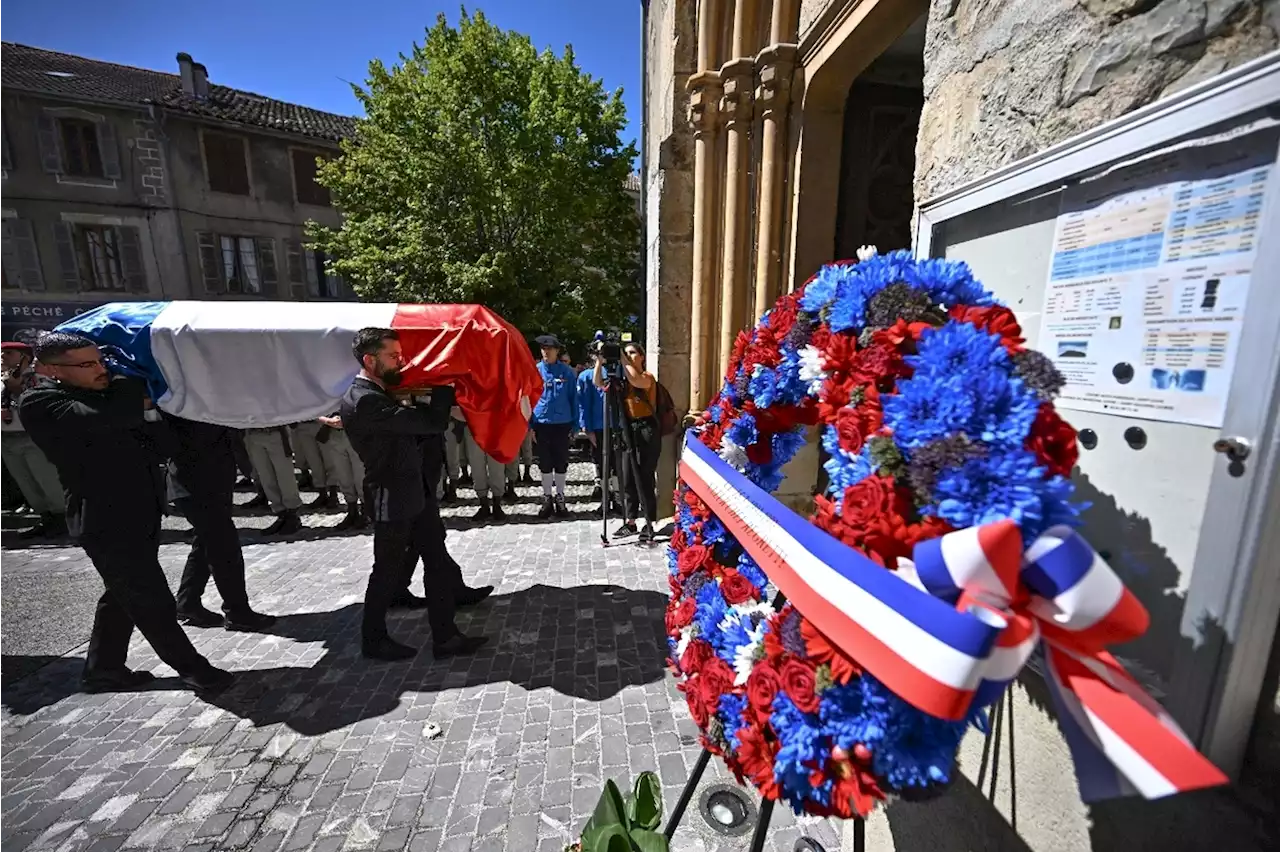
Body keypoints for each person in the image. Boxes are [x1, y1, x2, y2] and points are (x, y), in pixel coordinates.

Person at [19, 331, 234, 694]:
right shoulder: (41, 401)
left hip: (141, 511)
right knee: (150, 597)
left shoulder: (107, 398)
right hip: (104, 518)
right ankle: (194, 669)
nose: (101, 369)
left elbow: (164, 445)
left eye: (101, 360)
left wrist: (144, 408)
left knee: (122, 593)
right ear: (50, 368)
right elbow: (109, 415)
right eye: (88, 364)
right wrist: (130, 381)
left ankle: (103, 669)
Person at [340, 327, 488, 662]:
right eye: (393, 356)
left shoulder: (377, 394)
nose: (400, 361)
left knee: (435, 560)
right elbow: (432, 423)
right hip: (392, 497)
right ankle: (373, 638)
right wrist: (444, 385)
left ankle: (445, 636)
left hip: (412, 492)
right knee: (386, 571)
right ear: (369, 359)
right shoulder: (366, 401)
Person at [168, 414, 277, 631]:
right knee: (224, 548)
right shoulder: (184, 404)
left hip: (211, 482)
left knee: (206, 542)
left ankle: (188, 603)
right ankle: (237, 613)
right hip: (196, 485)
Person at [395, 417, 494, 610]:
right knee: (427, 537)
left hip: (422, 477)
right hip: (416, 480)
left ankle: (397, 588)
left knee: (422, 539)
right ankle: (448, 597)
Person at [594, 341, 660, 541]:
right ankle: (631, 522)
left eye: (632, 353)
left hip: (646, 430)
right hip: (628, 429)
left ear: (642, 357)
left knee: (645, 477)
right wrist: (599, 360)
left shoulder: (647, 378)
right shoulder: (621, 382)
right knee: (628, 476)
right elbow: (598, 383)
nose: (629, 356)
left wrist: (622, 358)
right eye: (626, 353)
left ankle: (649, 522)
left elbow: (636, 379)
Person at [0, 339, 66, 539]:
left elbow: (41, 404)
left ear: (24, 358)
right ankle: (45, 519)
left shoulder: (37, 379)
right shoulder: (2, 380)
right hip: (8, 439)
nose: (3, 357)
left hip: (33, 437)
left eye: (8, 353)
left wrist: (17, 389)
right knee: (27, 484)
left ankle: (62, 520)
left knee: (47, 481)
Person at [532, 334, 577, 518]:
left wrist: (575, 425)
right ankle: (547, 497)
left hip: (562, 423)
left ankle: (560, 496)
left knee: (560, 462)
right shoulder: (535, 371)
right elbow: (528, 398)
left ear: (557, 351)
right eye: (543, 349)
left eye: (549, 349)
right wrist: (530, 426)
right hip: (541, 423)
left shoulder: (566, 372)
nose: (546, 352)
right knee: (544, 462)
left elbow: (574, 398)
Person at [243, 426, 303, 535]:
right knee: (266, 477)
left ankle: (292, 514)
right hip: (254, 433)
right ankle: (281, 514)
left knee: (285, 476)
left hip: (276, 432)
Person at [316, 412, 367, 530]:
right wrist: (328, 421)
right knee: (343, 475)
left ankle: (366, 511)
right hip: (334, 434)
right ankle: (352, 510)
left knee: (360, 475)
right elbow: (315, 410)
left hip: (355, 432)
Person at [576, 361, 606, 501]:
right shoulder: (586, 376)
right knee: (598, 456)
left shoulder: (620, 372)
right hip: (597, 424)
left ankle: (614, 493)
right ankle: (599, 486)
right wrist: (586, 427)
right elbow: (583, 403)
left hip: (616, 424)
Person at [291, 420, 337, 509]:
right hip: (303, 424)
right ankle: (322, 494)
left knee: (330, 461)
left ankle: (333, 494)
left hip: (323, 423)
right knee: (313, 462)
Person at [464, 426, 507, 521]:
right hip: (474, 428)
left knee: (497, 467)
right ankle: (484, 504)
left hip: (496, 427)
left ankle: (497, 504)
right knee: (477, 467)